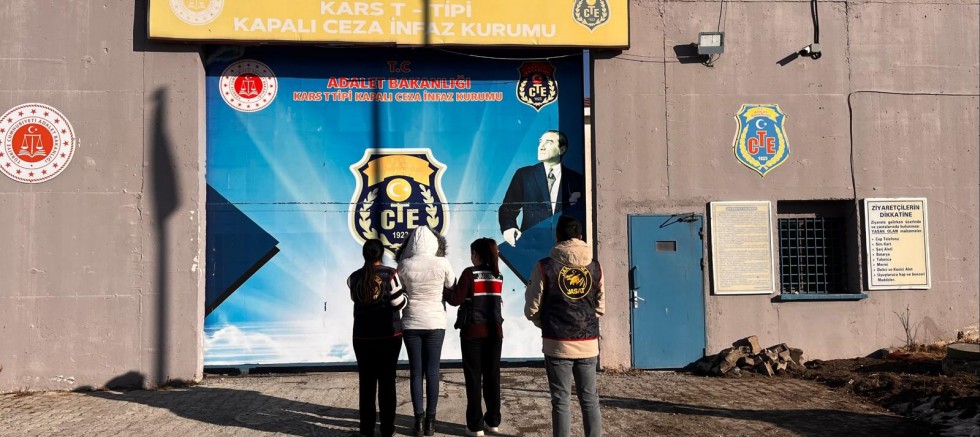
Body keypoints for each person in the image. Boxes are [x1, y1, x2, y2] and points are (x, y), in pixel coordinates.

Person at [524, 215, 605, 437]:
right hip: (588, 343)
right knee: (590, 399)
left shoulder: (545, 266)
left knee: (561, 400)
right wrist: (585, 322)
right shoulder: (595, 267)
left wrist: (545, 324)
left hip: (557, 343)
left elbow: (531, 308)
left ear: (557, 237)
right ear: (580, 236)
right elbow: (600, 306)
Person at [397, 225, 456, 436]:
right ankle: (431, 422)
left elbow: (400, 289)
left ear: (412, 243)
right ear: (433, 243)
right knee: (432, 371)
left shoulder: (404, 265)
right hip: (435, 322)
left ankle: (418, 421)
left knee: (416, 372)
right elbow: (451, 283)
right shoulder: (442, 263)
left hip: (411, 322)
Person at [347, 239, 407, 437]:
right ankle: (387, 429)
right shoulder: (390, 274)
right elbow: (398, 304)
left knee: (366, 384)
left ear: (364, 255)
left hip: (362, 337)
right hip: (388, 336)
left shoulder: (353, 277)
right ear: (381, 255)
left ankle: (366, 429)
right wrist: (407, 298)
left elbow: (355, 298)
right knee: (387, 383)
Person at [444, 238, 504, 437]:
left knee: (473, 379)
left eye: (472, 253)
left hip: (472, 333)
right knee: (492, 377)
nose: (471, 256)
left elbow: (456, 299)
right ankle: (493, 421)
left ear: (476, 254)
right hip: (495, 333)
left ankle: (475, 426)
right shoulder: (498, 275)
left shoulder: (469, 274)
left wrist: (442, 287)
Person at [498, 130, 585, 247]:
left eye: (548, 142)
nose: (541, 147)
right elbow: (508, 208)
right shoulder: (524, 175)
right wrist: (509, 228)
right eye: (540, 142)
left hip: (565, 248)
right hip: (531, 246)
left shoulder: (576, 179)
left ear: (562, 149)